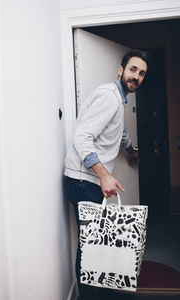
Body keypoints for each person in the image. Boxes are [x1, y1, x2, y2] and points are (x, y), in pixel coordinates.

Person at [64, 49, 149, 299]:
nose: (137, 76)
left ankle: (96, 292)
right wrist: (103, 175)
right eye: (133, 70)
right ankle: (87, 296)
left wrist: (131, 150)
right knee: (90, 246)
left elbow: (119, 131)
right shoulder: (110, 97)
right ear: (121, 70)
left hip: (86, 180)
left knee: (93, 244)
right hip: (84, 181)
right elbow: (82, 137)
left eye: (142, 73)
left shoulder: (119, 100)